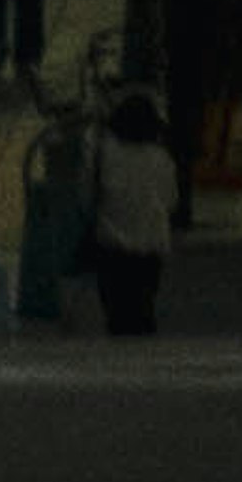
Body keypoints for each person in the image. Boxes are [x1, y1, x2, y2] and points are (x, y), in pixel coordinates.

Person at [86, 84, 176, 333]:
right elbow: (170, 200)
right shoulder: (162, 159)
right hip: (151, 244)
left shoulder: (105, 154)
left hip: (112, 245)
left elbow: (88, 196)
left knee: (116, 313)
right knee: (144, 308)